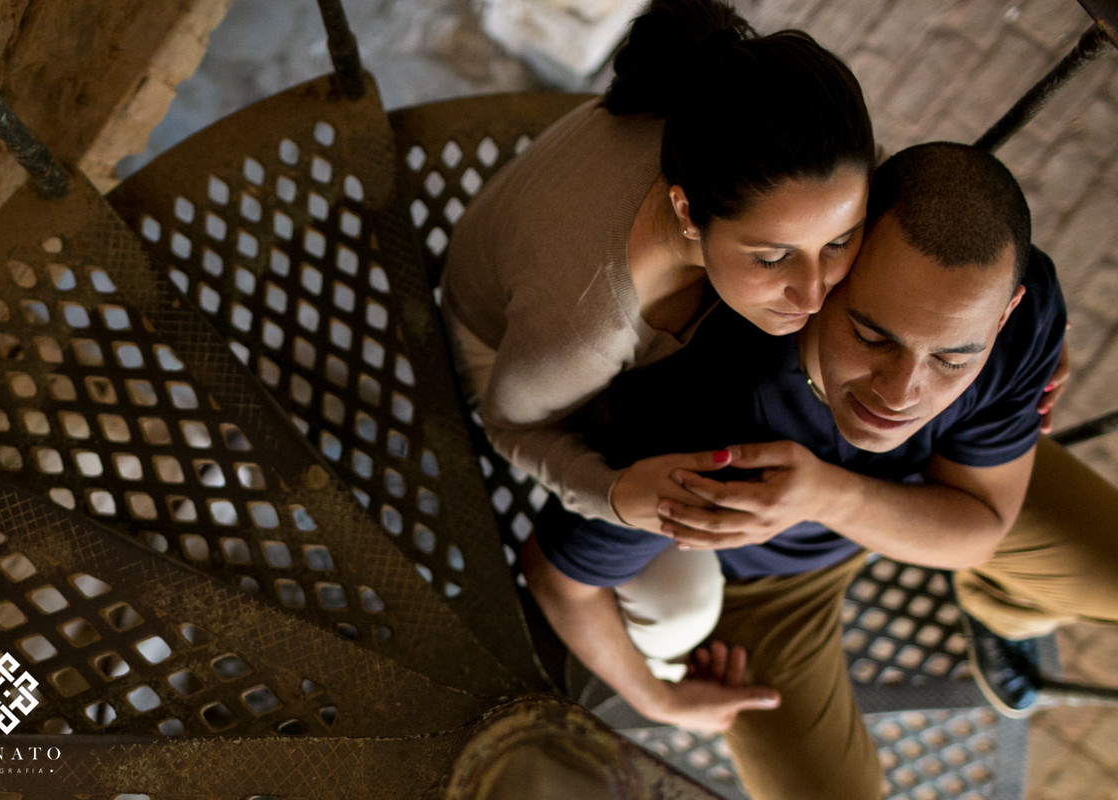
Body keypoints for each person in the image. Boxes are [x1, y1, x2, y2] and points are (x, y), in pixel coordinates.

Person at [522, 142, 1117, 800]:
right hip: (769, 580)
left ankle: (1003, 607)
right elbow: (559, 575)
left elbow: (979, 529)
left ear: (1003, 315)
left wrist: (830, 495)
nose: (901, 393)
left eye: (954, 358)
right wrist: (655, 697)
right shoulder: (704, 407)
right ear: (831, 271)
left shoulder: (1020, 316)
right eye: (871, 336)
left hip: (942, 486)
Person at [441, 0, 876, 538]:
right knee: (681, 612)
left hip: (541, 266)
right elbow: (508, 425)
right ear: (687, 213)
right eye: (771, 257)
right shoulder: (587, 328)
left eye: (839, 240)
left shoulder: (724, 113)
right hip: (508, 357)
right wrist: (614, 494)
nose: (813, 294)